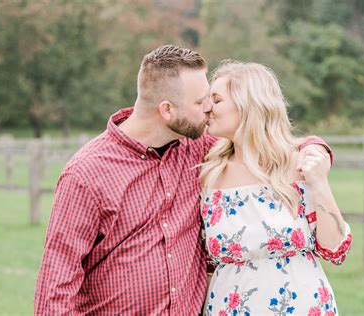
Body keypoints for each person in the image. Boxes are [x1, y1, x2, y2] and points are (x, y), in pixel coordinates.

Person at [34, 45, 334, 315]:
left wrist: (314, 147)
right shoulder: (87, 173)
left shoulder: (197, 148)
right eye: (201, 102)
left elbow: (262, 139)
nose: (209, 108)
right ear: (167, 110)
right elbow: (56, 284)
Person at [200, 61, 352, 315]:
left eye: (216, 99)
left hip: (300, 304)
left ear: (247, 104)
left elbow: (335, 249)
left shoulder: (298, 164)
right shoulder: (210, 172)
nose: (207, 107)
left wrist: (319, 181)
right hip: (228, 306)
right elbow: (207, 264)